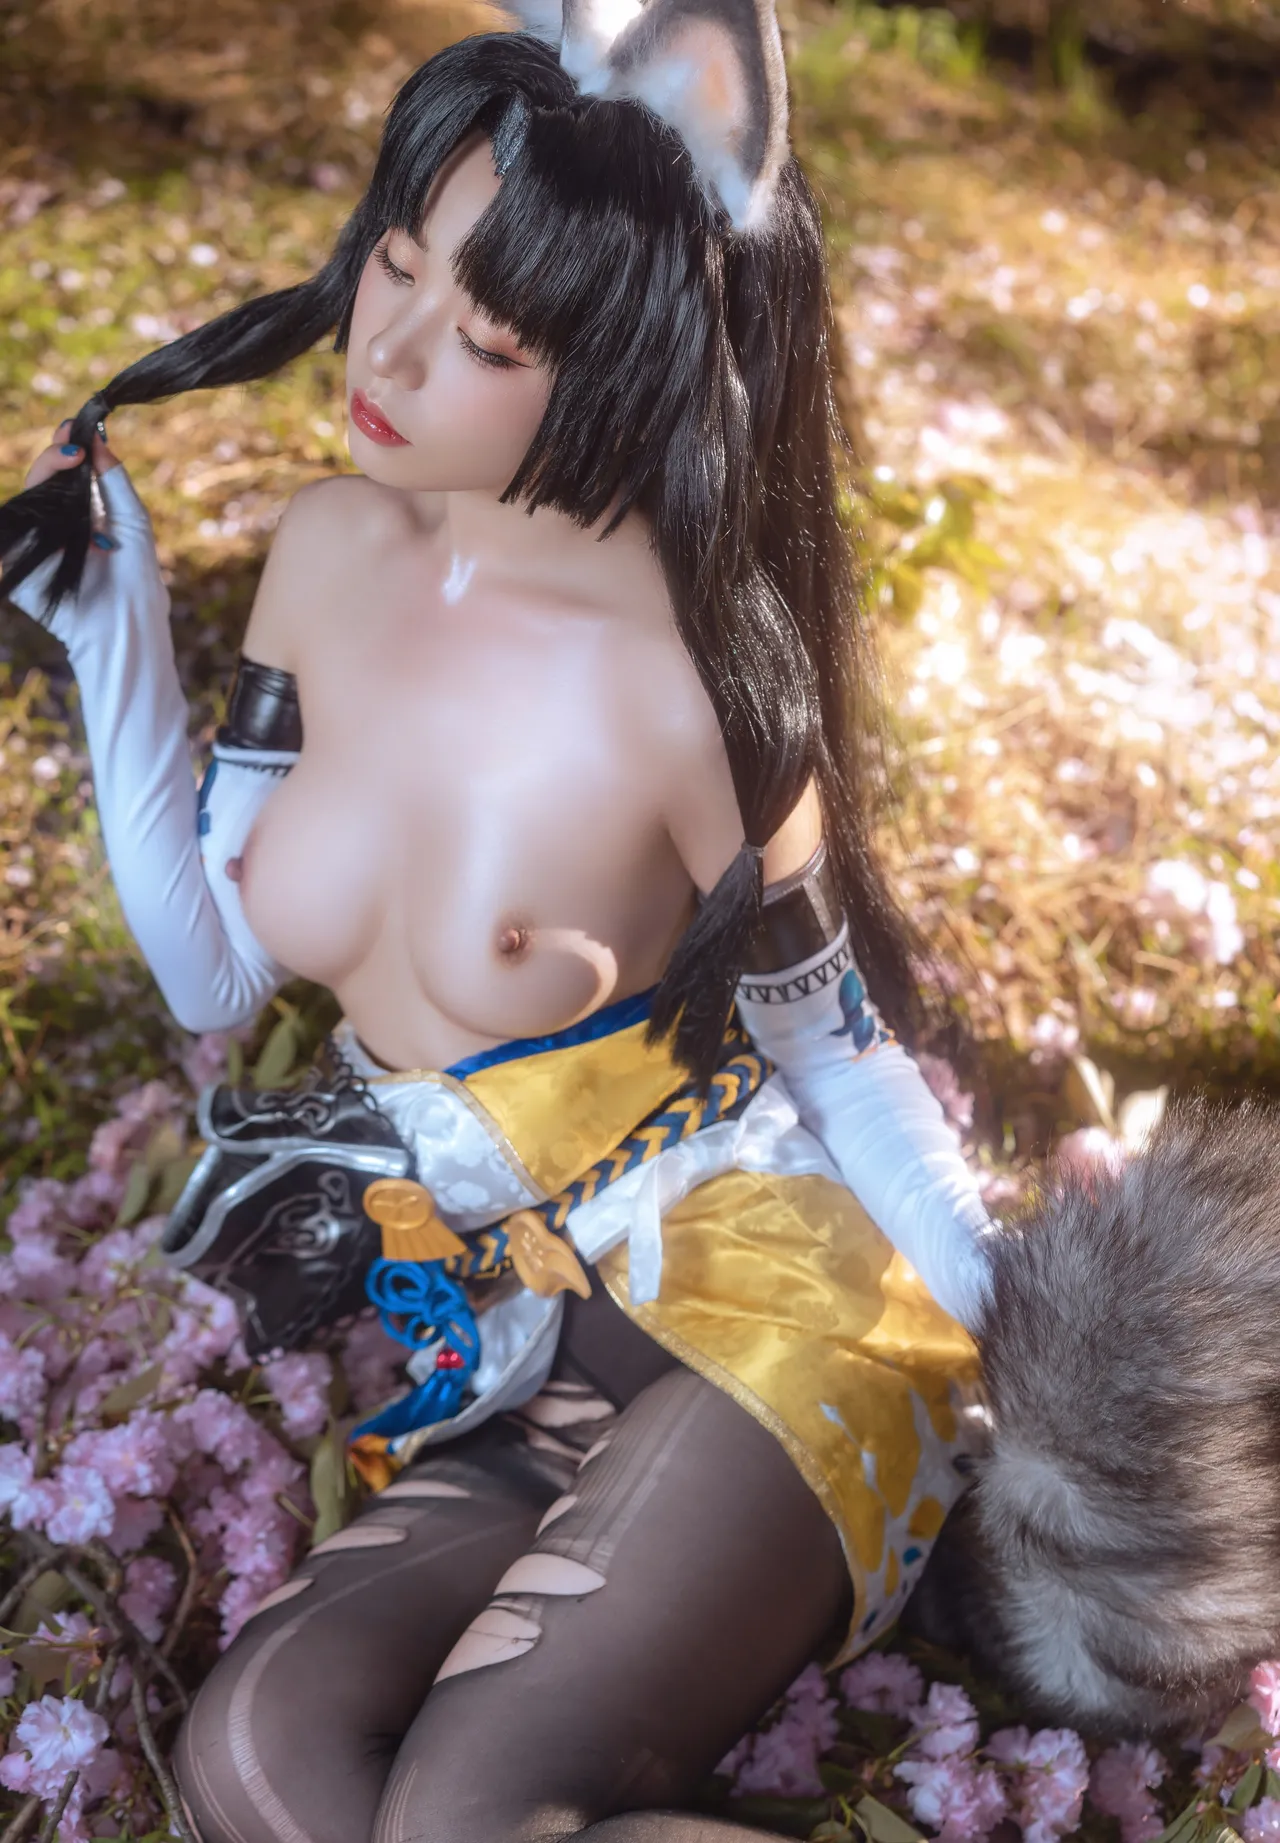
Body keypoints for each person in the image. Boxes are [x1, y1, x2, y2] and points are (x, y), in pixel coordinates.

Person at [0, 9, 996, 1838]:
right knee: (254, 1758)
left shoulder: (692, 695)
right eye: (396, 262)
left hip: (774, 1305)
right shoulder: (329, 553)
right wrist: (111, 642)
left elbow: (840, 1059)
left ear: (618, 363)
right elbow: (218, 964)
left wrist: (1036, 1333)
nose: (387, 350)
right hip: (521, 1339)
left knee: (466, 1808)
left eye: (485, 338)